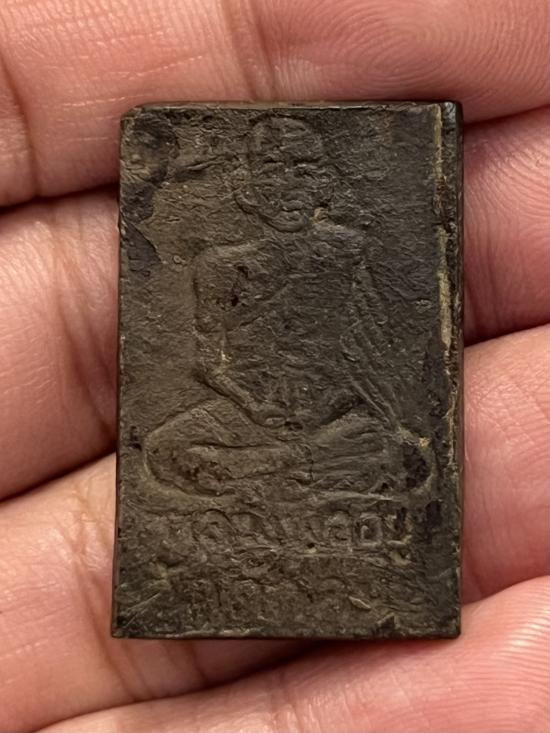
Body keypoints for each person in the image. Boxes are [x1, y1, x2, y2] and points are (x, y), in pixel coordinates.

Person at [0, 1, 548, 731]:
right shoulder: (222, 263)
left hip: (335, 414)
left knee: (409, 457)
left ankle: (281, 473)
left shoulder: (349, 250)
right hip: (249, 416)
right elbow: (208, 361)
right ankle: (297, 472)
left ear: (322, 185)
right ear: (246, 189)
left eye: (302, 171)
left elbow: (380, 348)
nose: (287, 186)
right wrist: (254, 403)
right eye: (271, 173)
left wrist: (347, 406)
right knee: (166, 450)